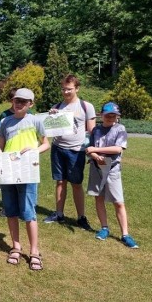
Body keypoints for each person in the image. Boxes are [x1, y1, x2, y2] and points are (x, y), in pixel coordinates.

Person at [0, 88, 50, 271]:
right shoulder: (5, 122)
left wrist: (34, 151)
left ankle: (34, 251)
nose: (19, 104)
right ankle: (16, 247)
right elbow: (1, 148)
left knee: (29, 212)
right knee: (11, 210)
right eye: (16, 100)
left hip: (28, 172)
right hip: (9, 172)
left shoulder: (36, 120)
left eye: (23, 101)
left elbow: (46, 144)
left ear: (31, 104)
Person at [44, 74, 95, 230]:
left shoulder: (86, 106)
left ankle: (81, 217)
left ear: (77, 88)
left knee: (76, 184)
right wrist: (50, 117)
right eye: (64, 89)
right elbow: (49, 129)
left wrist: (92, 150)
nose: (66, 92)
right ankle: (59, 213)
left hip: (76, 150)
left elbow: (92, 130)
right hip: (58, 148)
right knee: (60, 182)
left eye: (69, 89)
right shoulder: (57, 106)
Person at [86, 102, 138, 248]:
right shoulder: (96, 129)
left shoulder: (120, 128)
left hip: (113, 169)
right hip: (96, 168)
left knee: (118, 202)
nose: (110, 118)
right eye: (107, 115)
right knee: (99, 198)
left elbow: (118, 149)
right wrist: (95, 155)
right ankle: (104, 228)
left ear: (117, 116)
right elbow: (89, 148)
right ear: (101, 115)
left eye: (113, 115)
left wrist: (96, 149)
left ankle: (125, 234)